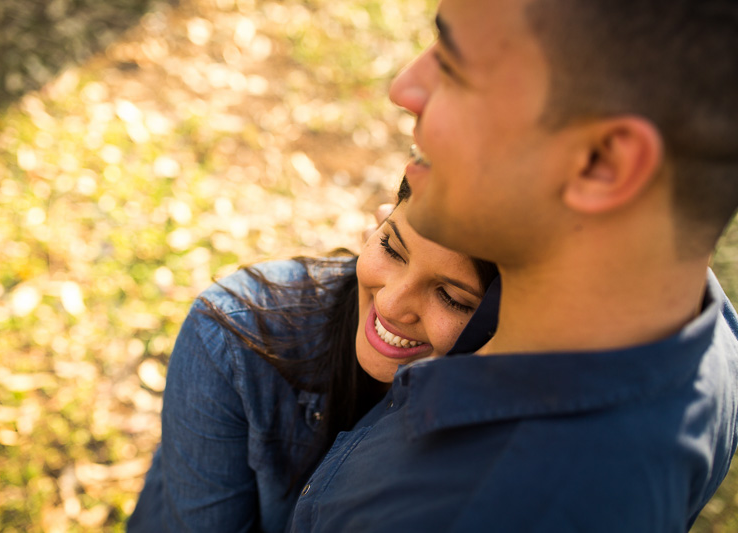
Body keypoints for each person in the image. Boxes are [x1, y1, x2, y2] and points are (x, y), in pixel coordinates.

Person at [287, 0, 738, 531]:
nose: (405, 88)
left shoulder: (455, 506)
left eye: (454, 69)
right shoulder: (700, 328)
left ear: (603, 164)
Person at [126, 178, 499, 532]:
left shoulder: (517, 425)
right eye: (390, 247)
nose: (389, 302)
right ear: (379, 220)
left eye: (451, 298)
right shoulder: (234, 338)